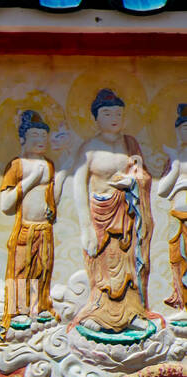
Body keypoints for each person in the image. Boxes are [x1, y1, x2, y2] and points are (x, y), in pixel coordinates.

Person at [72, 88, 154, 332]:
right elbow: (78, 185)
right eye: (107, 114)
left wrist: (134, 182)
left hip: (126, 214)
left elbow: (144, 175)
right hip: (101, 216)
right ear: (96, 118)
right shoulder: (90, 148)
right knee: (104, 266)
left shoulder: (130, 144)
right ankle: (99, 315)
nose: (114, 118)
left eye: (118, 113)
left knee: (127, 265)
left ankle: (132, 314)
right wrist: (85, 227)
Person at [0, 111, 69, 342]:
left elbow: (53, 198)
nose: (40, 139)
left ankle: (39, 307)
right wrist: (28, 181)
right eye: (35, 134)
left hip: (44, 229)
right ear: (22, 138)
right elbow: (6, 204)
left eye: (43, 135)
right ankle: (19, 310)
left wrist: (63, 177)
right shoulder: (17, 165)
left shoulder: (48, 165)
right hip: (25, 229)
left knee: (43, 269)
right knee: (21, 269)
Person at [157, 105, 187, 311]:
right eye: (184, 127)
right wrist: (176, 166)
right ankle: (182, 304)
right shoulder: (174, 158)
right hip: (177, 218)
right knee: (177, 260)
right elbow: (161, 190)